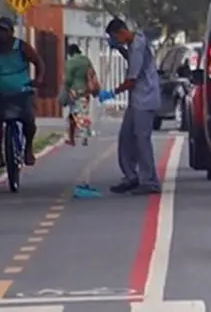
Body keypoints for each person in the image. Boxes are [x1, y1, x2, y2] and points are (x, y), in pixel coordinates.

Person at [0, 16, 45, 168]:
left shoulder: (21, 47)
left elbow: (38, 62)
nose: (1, 35)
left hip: (23, 92)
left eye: (5, 31)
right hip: (0, 93)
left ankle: (28, 150)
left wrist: (38, 79)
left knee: (29, 121)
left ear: (11, 32)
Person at [106, 18, 161, 195]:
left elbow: (132, 79)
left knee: (141, 140)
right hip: (138, 99)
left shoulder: (137, 46)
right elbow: (133, 60)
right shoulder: (134, 40)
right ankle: (131, 176)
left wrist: (112, 92)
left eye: (116, 38)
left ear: (121, 32)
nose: (116, 41)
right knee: (126, 137)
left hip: (144, 99)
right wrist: (121, 49)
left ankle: (149, 181)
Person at [61, 44, 98, 146]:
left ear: (70, 53)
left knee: (73, 114)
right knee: (84, 113)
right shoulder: (86, 60)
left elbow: (67, 80)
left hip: (74, 91)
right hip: (86, 91)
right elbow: (92, 74)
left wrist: (67, 89)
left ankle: (72, 137)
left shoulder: (70, 62)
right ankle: (84, 135)